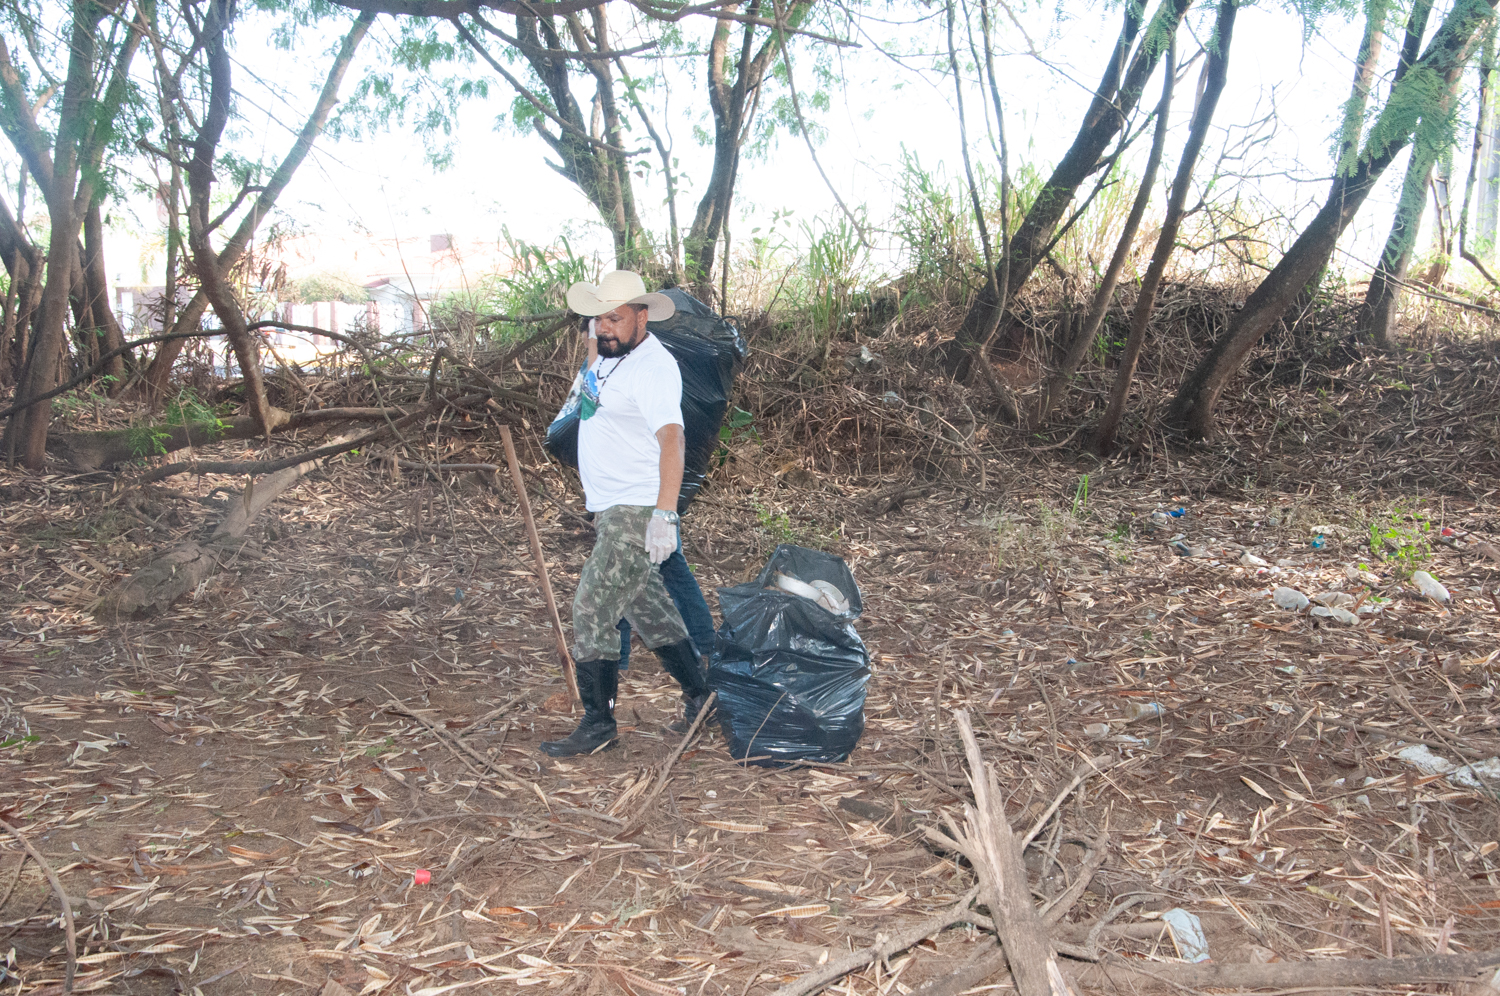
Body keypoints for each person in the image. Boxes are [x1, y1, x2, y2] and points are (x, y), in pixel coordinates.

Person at [540, 271, 712, 758]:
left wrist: (665, 515)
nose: (603, 327)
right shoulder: (611, 354)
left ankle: (599, 723)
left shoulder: (654, 368)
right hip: (610, 507)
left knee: (592, 608)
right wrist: (594, 348)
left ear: (642, 315)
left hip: (636, 508)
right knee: (648, 608)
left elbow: (673, 440)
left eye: (614, 318)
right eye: (597, 318)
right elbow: (593, 383)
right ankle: (701, 695)